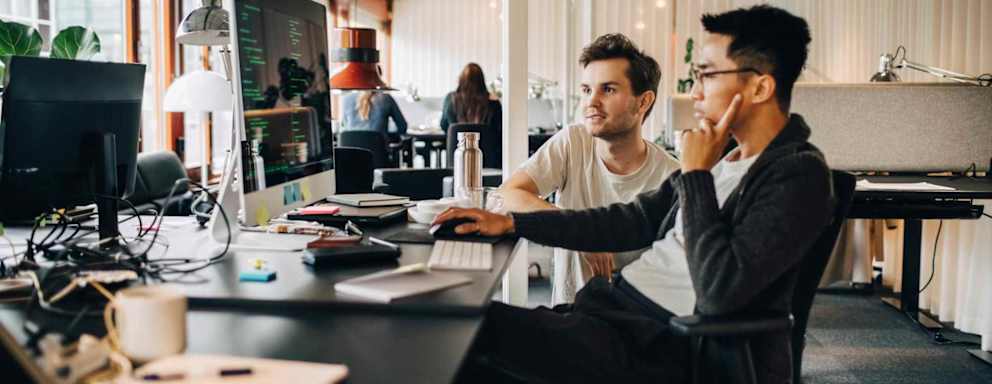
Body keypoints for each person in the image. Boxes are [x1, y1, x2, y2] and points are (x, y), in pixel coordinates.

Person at [437, 5, 834, 383]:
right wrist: (512, 221)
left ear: (761, 86)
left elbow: (720, 292)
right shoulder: (728, 160)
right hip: (614, 315)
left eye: (707, 75)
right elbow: (632, 219)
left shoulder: (798, 173)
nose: (695, 92)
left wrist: (695, 174)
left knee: (458, 339)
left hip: (657, 344)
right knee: (453, 323)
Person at [501, 33, 679, 305]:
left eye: (608, 89)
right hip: (567, 315)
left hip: (632, 328)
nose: (591, 102)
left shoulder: (670, 175)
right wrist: (581, 235)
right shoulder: (573, 142)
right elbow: (510, 193)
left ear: (643, 102)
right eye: (586, 90)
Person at [440, 63, 502, 168]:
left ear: (461, 80)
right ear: (482, 81)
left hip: (457, 157)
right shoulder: (493, 103)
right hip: (487, 160)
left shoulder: (450, 99)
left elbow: (443, 125)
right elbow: (499, 132)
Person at [340, 90, 408, 143]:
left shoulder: (346, 99)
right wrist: (387, 138)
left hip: (351, 156)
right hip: (378, 154)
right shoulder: (386, 98)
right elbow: (402, 126)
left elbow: (344, 126)